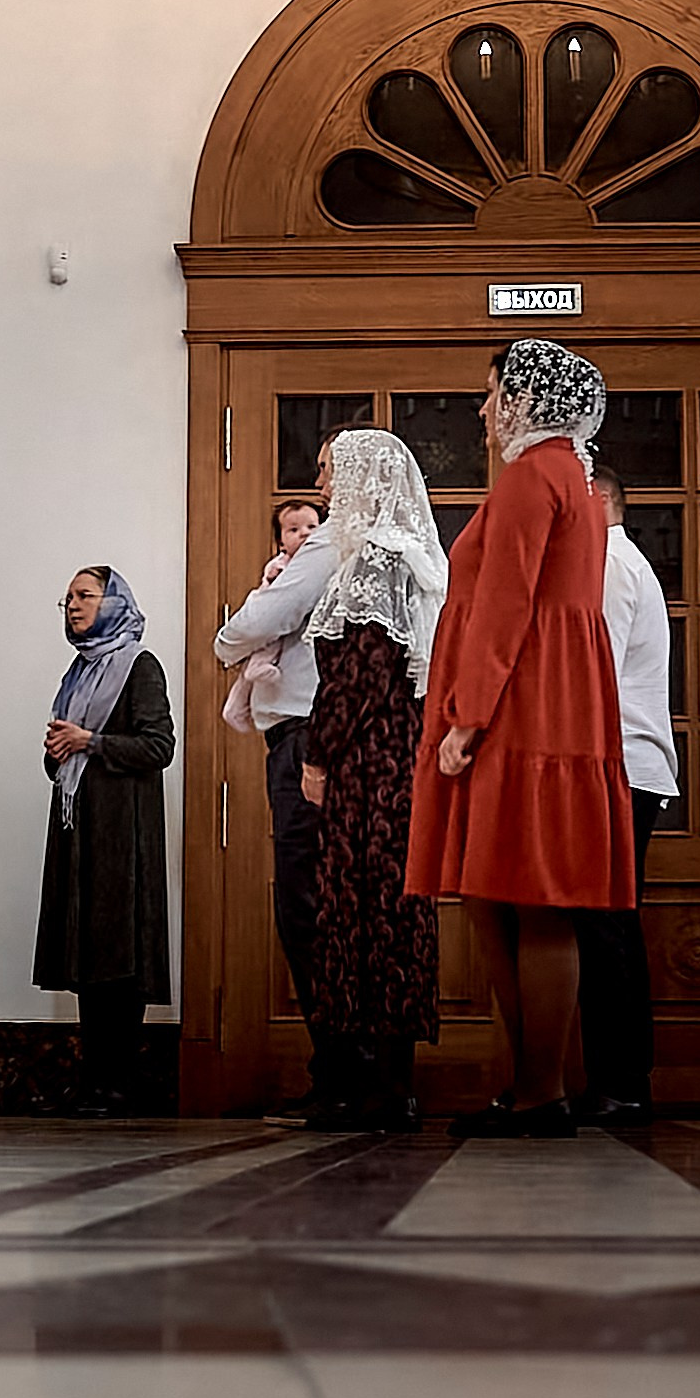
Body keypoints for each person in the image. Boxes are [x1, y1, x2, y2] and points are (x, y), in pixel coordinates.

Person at [406, 336, 634, 1139]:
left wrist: (467, 714)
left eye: (492, 390)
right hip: (549, 691)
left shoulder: (530, 478)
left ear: (525, 398)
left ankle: (540, 1090)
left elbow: (504, 606)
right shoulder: (565, 472)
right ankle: (528, 1083)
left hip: (521, 699)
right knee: (507, 894)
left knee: (532, 898)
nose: (482, 407)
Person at [297, 429, 446, 1131]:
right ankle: (387, 1082)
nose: (320, 486)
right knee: (386, 914)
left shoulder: (378, 559)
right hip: (396, 756)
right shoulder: (401, 554)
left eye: (329, 471)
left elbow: (358, 677)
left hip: (369, 763)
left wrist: (316, 753)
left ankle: (380, 1088)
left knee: (367, 916)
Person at [215, 457, 341, 1101]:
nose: (317, 485)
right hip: (294, 734)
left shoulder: (329, 547)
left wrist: (227, 640)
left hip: (307, 736)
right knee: (308, 901)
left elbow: (249, 627)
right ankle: (340, 1070)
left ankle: (340, 1072)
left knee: (306, 903)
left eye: (325, 473)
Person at [37, 563, 174, 1117]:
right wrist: (56, 752)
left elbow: (157, 746)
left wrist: (89, 741)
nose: (73, 605)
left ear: (114, 602)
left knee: (120, 959)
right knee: (89, 960)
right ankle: (93, 1081)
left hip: (123, 837)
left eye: (85, 596)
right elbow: (65, 754)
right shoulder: (79, 671)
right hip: (80, 830)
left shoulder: (139, 666)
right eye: (67, 597)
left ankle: (118, 1083)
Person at [575, 461, 680, 1124]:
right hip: (616, 760)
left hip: (618, 761)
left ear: (598, 499)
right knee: (602, 920)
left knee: (606, 921)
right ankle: (615, 1076)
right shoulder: (614, 556)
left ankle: (621, 1081)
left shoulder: (611, 559)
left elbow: (593, 665)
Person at [222, 499, 324, 738]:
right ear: (281, 542)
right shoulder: (282, 565)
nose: (305, 534)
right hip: (287, 709)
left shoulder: (323, 565)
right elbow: (268, 612)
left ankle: (237, 706)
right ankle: (236, 706)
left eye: (312, 527)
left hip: (301, 703)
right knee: (263, 648)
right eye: (294, 530)